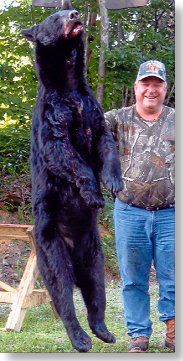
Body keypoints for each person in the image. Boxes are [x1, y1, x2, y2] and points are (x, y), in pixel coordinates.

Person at [105, 60, 175, 353]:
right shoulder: (115, 120)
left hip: (172, 213)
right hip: (129, 210)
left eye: (157, 84)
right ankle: (138, 335)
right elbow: (80, 130)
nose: (151, 90)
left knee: (174, 274)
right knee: (133, 277)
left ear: (165, 89)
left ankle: (174, 331)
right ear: (136, 87)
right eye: (145, 83)